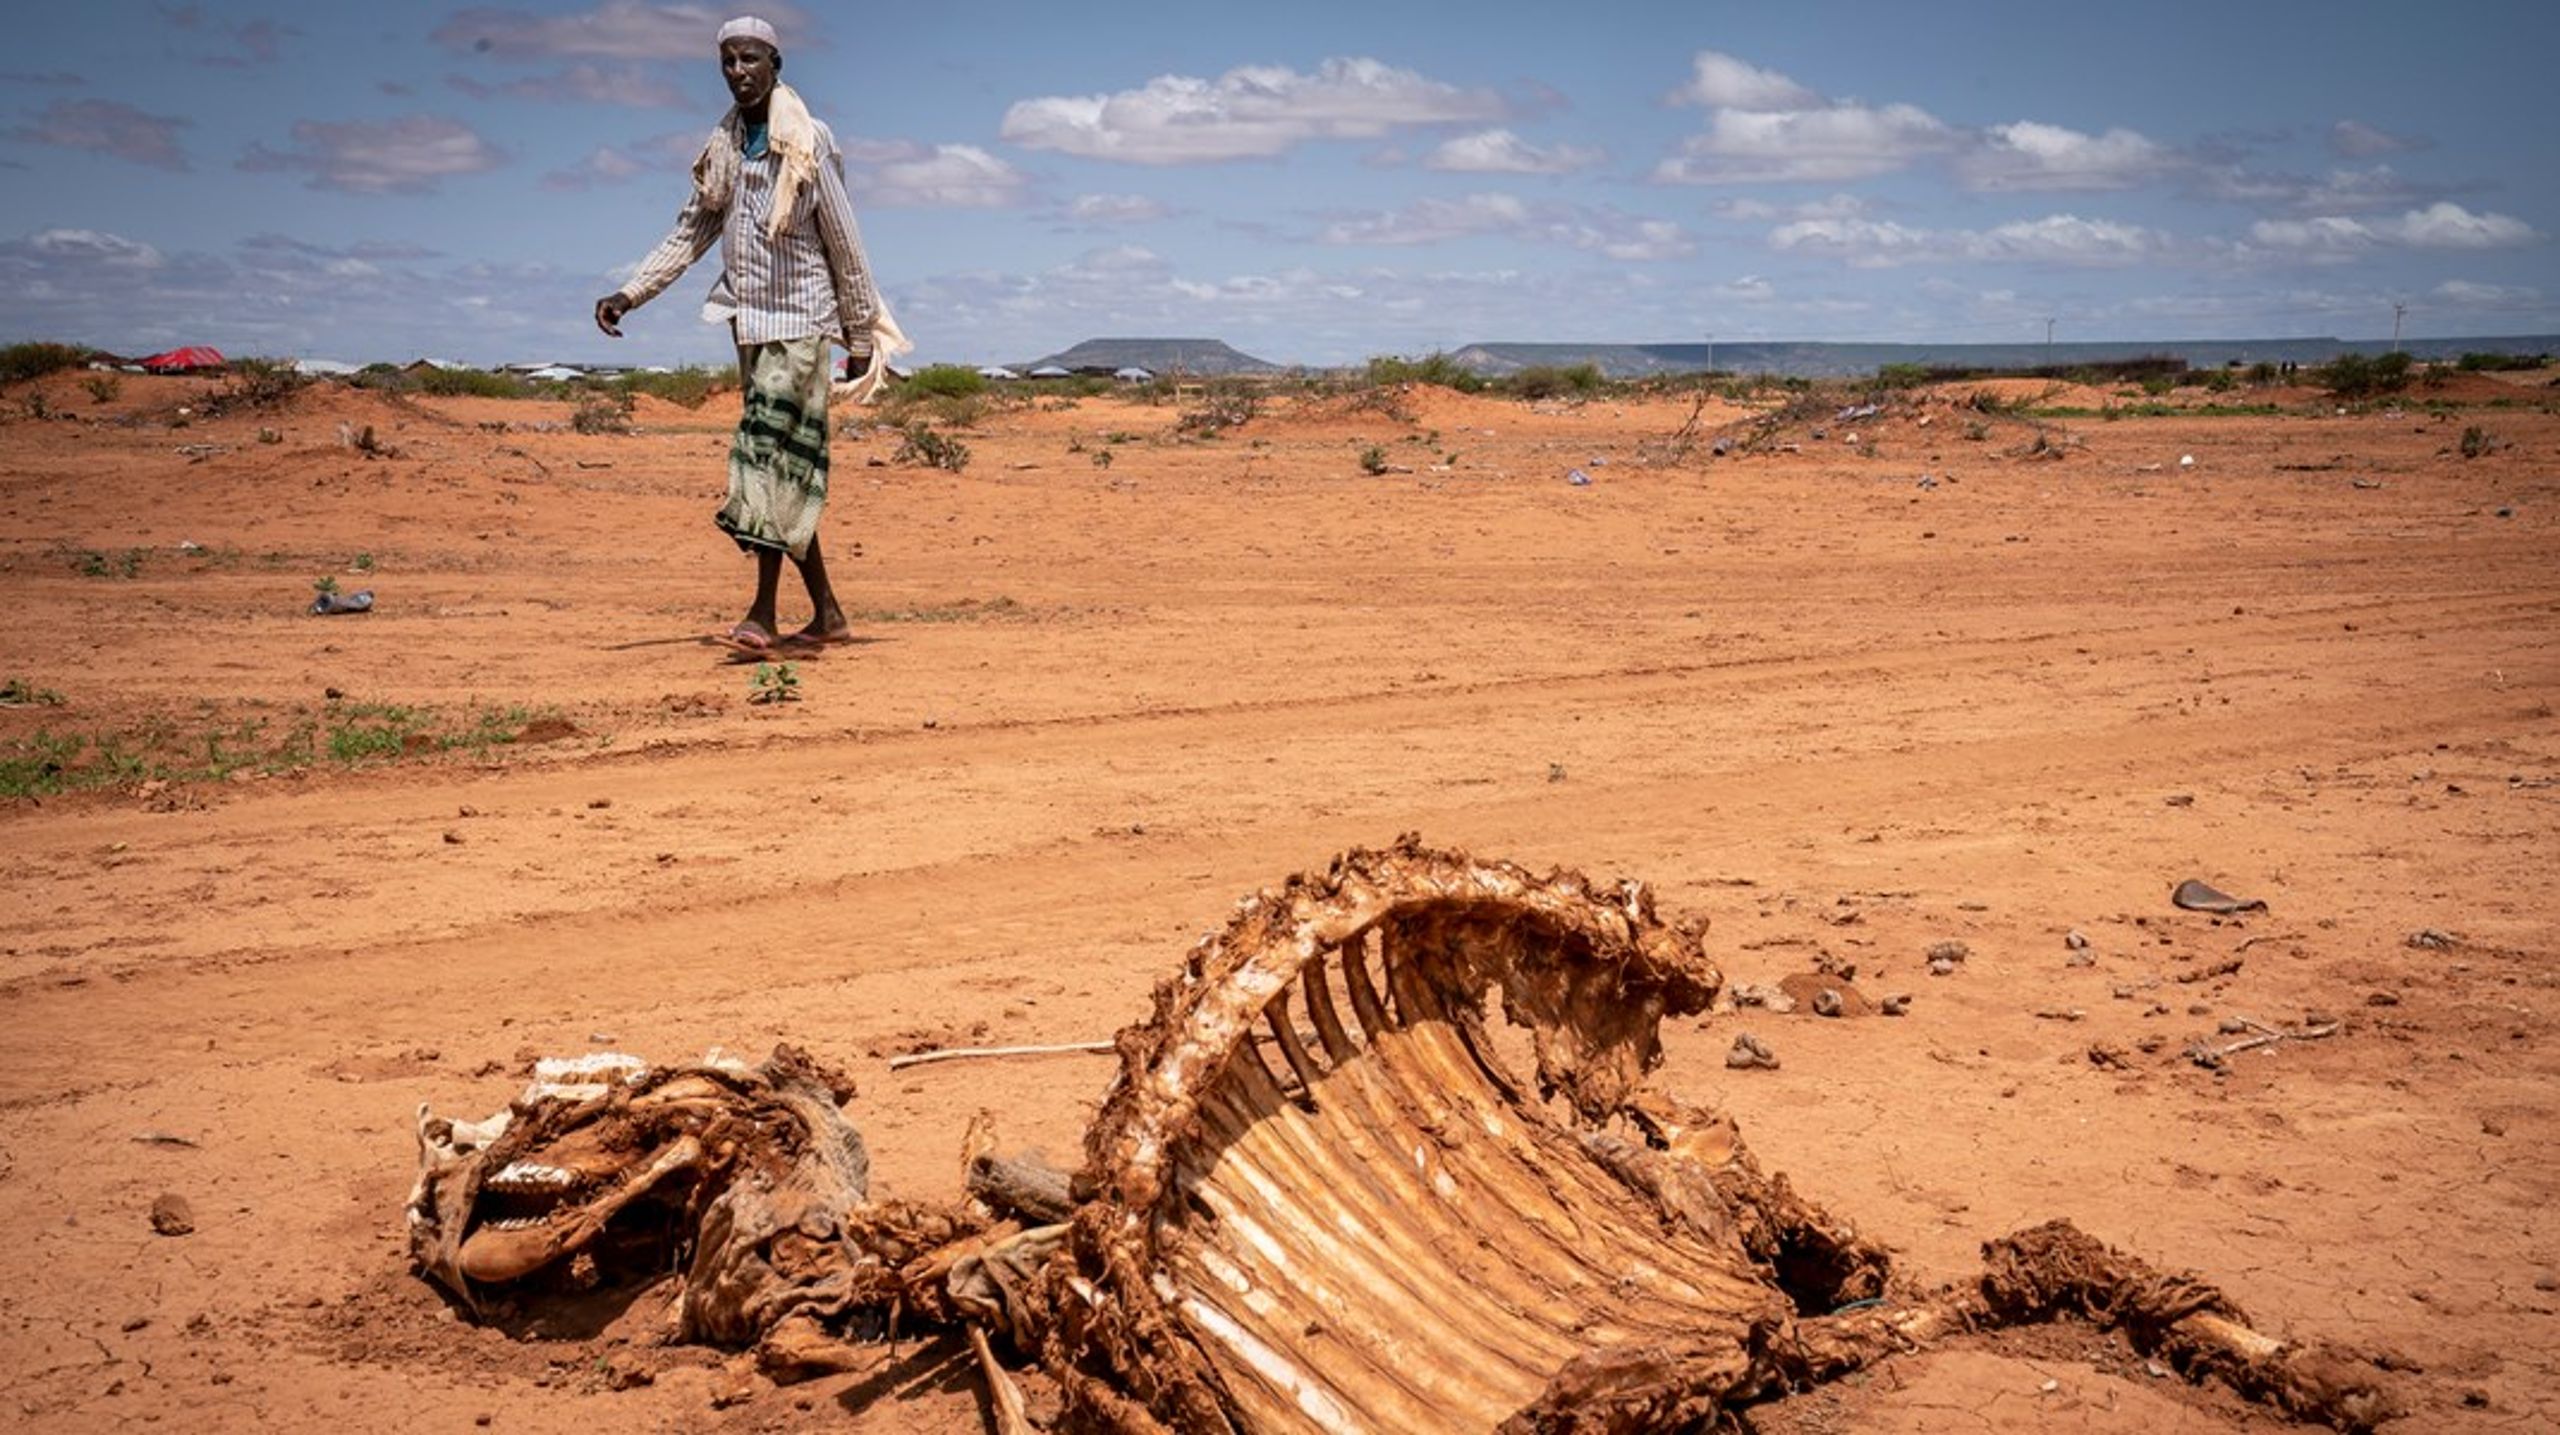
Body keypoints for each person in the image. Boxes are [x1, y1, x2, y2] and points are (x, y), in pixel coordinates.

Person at [592, 14, 907, 652]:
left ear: (775, 65)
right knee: (781, 468)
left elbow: (845, 243)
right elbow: (691, 232)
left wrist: (862, 336)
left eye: (750, 60)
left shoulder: (807, 141)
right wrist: (631, 292)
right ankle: (828, 614)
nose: (739, 72)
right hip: (747, 323)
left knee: (765, 465)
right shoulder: (725, 148)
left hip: (802, 322)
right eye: (728, 62)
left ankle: (762, 613)